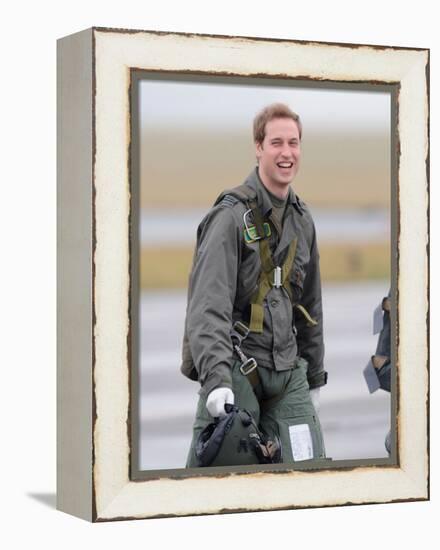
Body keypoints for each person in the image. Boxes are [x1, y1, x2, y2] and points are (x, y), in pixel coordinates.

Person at [181, 103, 328, 467]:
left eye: (293, 143)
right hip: (236, 368)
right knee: (213, 485)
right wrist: (216, 379)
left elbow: (310, 308)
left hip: (287, 370)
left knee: (310, 477)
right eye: (276, 142)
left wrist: (314, 375)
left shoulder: (302, 220)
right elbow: (207, 309)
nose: (287, 153)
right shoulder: (229, 218)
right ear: (258, 147)